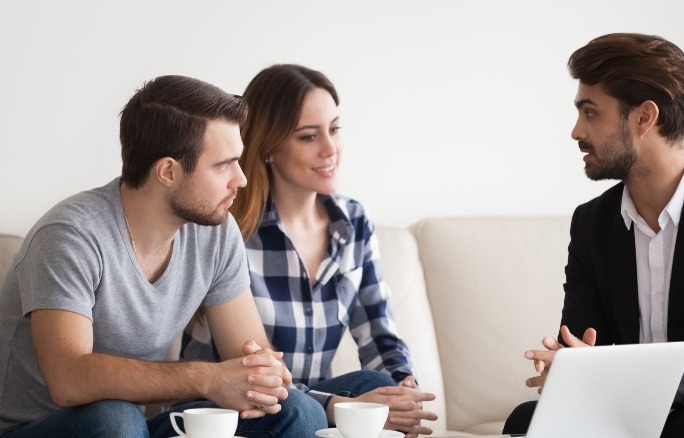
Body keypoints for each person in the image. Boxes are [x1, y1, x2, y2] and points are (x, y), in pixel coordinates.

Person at [0, 75, 327, 437]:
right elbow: (69, 380)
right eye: (224, 165)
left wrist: (264, 376)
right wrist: (206, 377)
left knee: (299, 412)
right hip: (36, 428)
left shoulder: (215, 232)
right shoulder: (69, 236)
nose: (241, 179)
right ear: (168, 171)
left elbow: (247, 356)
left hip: (134, 429)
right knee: (115, 419)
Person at [503, 33, 684, 437]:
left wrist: (629, 377)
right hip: (635, 417)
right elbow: (584, 350)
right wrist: (569, 367)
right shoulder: (592, 224)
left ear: (644, 118)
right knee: (526, 422)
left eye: (591, 113)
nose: (577, 131)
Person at [181, 64, 439, 436]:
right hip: (233, 407)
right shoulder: (228, 230)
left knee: (373, 382)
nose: (330, 149)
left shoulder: (353, 223)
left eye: (334, 129)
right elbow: (249, 374)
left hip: (312, 405)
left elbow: (379, 333)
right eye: (308, 136)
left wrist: (403, 392)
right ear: (269, 146)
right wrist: (335, 407)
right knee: (304, 412)